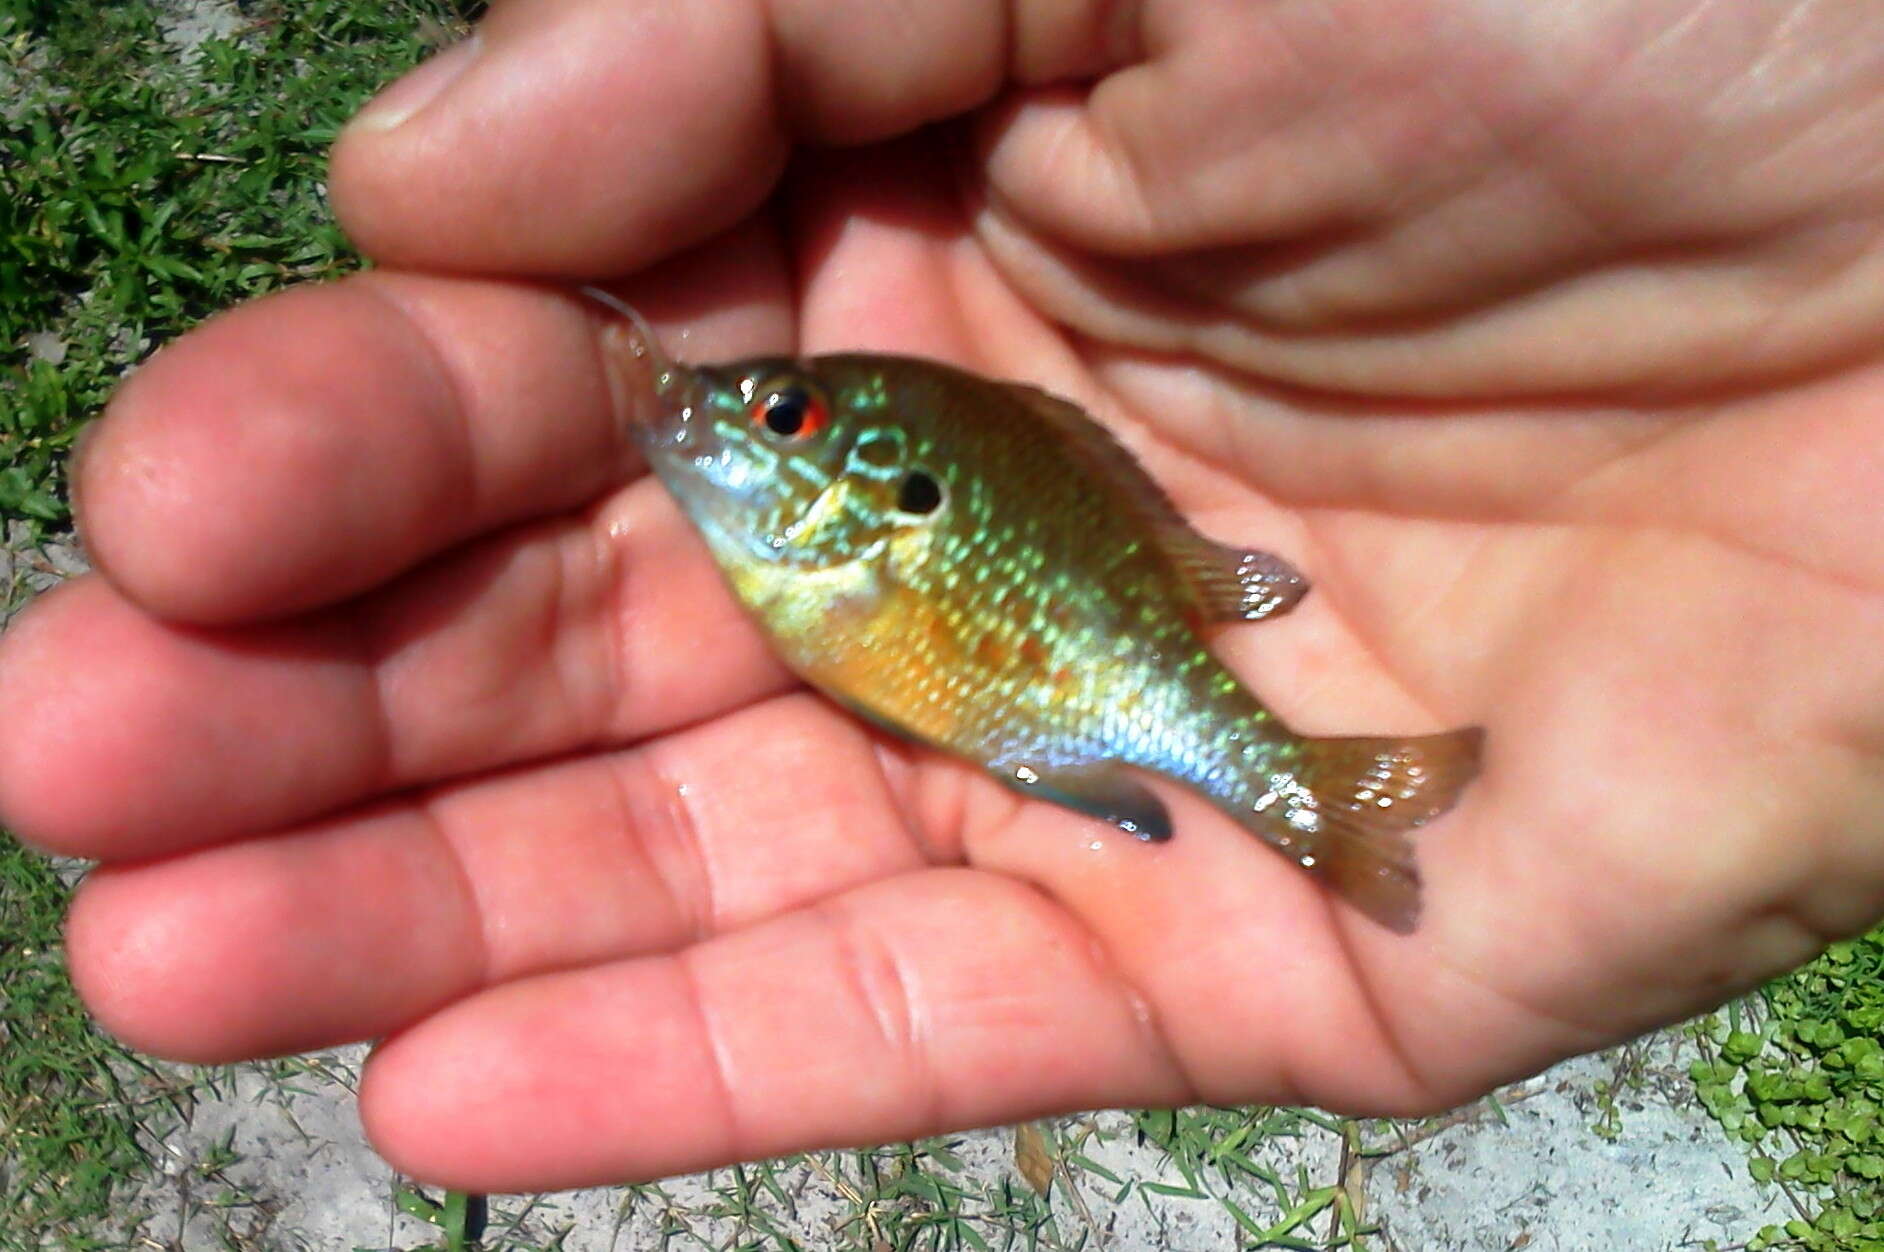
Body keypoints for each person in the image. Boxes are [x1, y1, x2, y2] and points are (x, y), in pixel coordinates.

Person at [2, 0, 1881, 1195]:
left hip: (1075, 666)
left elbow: (966, 594)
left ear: (855, 469)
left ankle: (1312, 801)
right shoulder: (837, 511)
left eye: (784, 409)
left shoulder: (872, 519)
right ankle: (1314, 800)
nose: (749, 423)